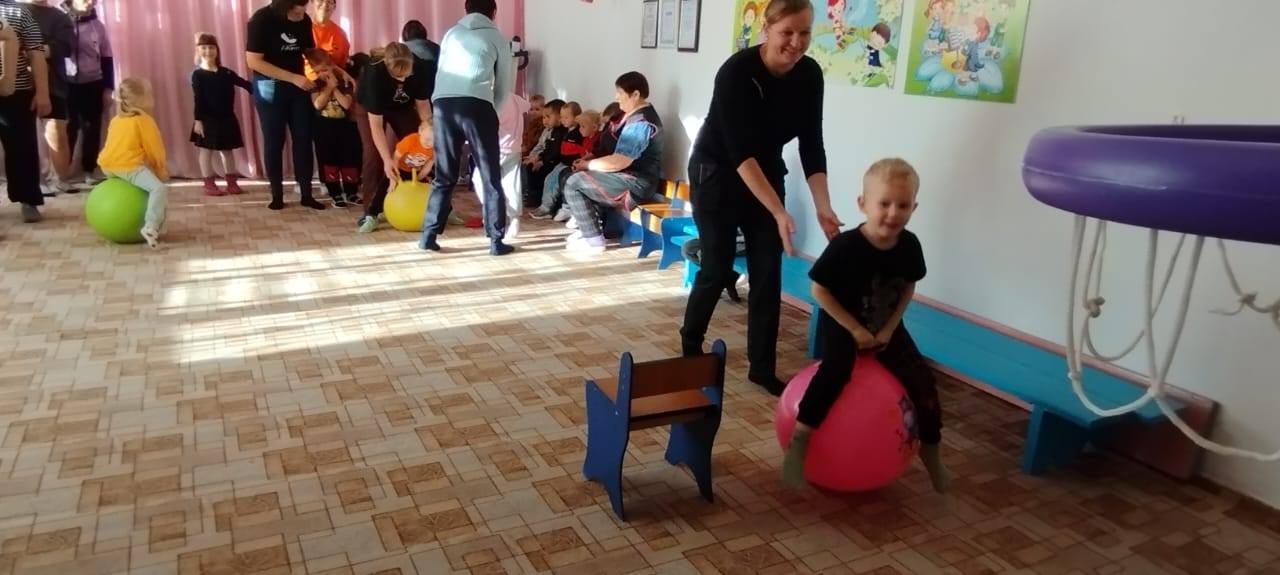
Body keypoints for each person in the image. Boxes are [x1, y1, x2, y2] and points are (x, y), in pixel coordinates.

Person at [679, 0, 842, 395]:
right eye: (787, 32)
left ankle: (762, 368)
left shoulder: (809, 75)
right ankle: (690, 345)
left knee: (768, 272)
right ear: (766, 29)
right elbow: (741, 155)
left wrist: (823, 205)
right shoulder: (736, 73)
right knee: (717, 266)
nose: (796, 42)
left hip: (765, 170)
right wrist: (779, 212)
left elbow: (812, 145)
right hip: (717, 172)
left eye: (804, 33)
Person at [781, 158, 951, 493]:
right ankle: (800, 441)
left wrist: (889, 328)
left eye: (902, 205)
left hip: (885, 325)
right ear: (863, 204)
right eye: (884, 204)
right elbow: (819, 290)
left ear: (913, 208)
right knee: (834, 373)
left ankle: (931, 451)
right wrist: (855, 330)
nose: (893, 213)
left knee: (923, 383)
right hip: (843, 323)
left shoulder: (909, 245)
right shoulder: (846, 247)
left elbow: (908, 286)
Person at [419, 0, 515, 256]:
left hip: (443, 105)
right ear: (494, 12)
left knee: (444, 175)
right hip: (477, 105)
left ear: (466, 10)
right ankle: (496, 241)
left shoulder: (451, 34)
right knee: (490, 176)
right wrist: (490, 112)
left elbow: (441, 72)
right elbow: (505, 85)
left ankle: (428, 235)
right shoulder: (497, 37)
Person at [558, 72, 664, 254]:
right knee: (571, 176)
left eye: (620, 93)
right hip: (625, 177)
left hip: (636, 183)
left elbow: (619, 161)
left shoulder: (641, 122)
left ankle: (594, 241)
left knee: (574, 182)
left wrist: (588, 165)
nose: (616, 97)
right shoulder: (627, 116)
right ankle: (588, 230)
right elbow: (608, 146)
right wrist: (590, 158)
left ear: (636, 94)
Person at [245, 0, 323, 210]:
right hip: (269, 85)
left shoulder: (304, 19)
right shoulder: (261, 20)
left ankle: (306, 194)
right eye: (297, 10)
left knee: (303, 138)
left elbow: (308, 51)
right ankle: (277, 195)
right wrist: (292, 78)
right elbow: (254, 61)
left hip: (298, 86)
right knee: (274, 141)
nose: (302, 13)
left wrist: (331, 68)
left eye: (305, 8)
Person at [354, 41, 431, 231]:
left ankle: (423, 202)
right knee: (373, 154)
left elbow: (423, 106)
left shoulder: (420, 67)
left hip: (403, 108)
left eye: (407, 74)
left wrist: (428, 133)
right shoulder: (374, 74)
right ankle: (371, 212)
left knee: (417, 149)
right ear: (388, 69)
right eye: (398, 76)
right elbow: (376, 126)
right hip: (370, 109)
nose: (403, 79)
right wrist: (388, 160)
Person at [97, 78, 168, 248]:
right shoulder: (144, 120)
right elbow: (155, 149)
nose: (153, 96)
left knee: (143, 174)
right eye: (149, 94)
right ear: (141, 99)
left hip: (107, 166)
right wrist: (160, 170)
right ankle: (150, 227)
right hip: (127, 167)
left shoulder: (117, 119)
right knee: (158, 189)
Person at [0, 0, 51, 223]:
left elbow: (36, 53)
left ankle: (28, 200)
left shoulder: (18, 11)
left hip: (17, 93)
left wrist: (43, 93)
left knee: (22, 148)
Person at [19, 0, 74, 197]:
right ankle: (37, 181)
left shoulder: (59, 17)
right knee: (24, 135)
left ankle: (61, 179)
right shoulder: (13, 11)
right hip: (20, 83)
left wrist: (35, 51)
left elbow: (65, 47)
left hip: (54, 84)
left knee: (56, 132)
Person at [190, 33, 250, 197]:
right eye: (203, 48)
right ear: (198, 50)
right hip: (207, 119)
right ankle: (209, 184)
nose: (208, 51)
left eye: (211, 47)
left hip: (227, 118)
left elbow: (245, 84)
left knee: (227, 151)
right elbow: (198, 98)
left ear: (217, 50)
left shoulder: (226, 73)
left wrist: (262, 90)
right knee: (206, 151)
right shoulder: (197, 75)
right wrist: (198, 120)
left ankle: (232, 183)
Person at [62, 0, 112, 186]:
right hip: (67, 85)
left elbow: (107, 57)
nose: (91, 2)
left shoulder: (98, 26)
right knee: (68, 128)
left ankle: (89, 170)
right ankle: (63, 172)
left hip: (93, 84)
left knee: (91, 129)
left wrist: (108, 88)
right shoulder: (61, 21)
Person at [473, 90, 528, 241]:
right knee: (512, 184)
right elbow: (527, 106)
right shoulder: (515, 99)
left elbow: (487, 125)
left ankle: (491, 210)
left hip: (497, 148)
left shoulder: (495, 102)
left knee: (480, 179)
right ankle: (514, 219)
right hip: (514, 149)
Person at [307, 49, 359, 207]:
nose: (322, 74)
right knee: (329, 161)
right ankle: (335, 193)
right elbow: (317, 104)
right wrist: (328, 88)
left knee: (349, 160)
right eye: (318, 71)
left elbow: (346, 104)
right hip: (324, 129)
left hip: (345, 128)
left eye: (325, 69)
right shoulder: (315, 84)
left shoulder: (344, 82)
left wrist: (335, 88)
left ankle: (351, 192)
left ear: (332, 66)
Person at [305, 0, 349, 77]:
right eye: (321, 0)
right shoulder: (301, 28)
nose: (325, 4)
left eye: (329, 1)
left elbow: (342, 66)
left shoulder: (341, 34)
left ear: (334, 7)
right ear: (312, 2)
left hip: (333, 80)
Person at [400, 19, 439, 100]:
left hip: (412, 97)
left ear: (405, 35)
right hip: (436, 94)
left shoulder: (402, 51)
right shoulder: (437, 48)